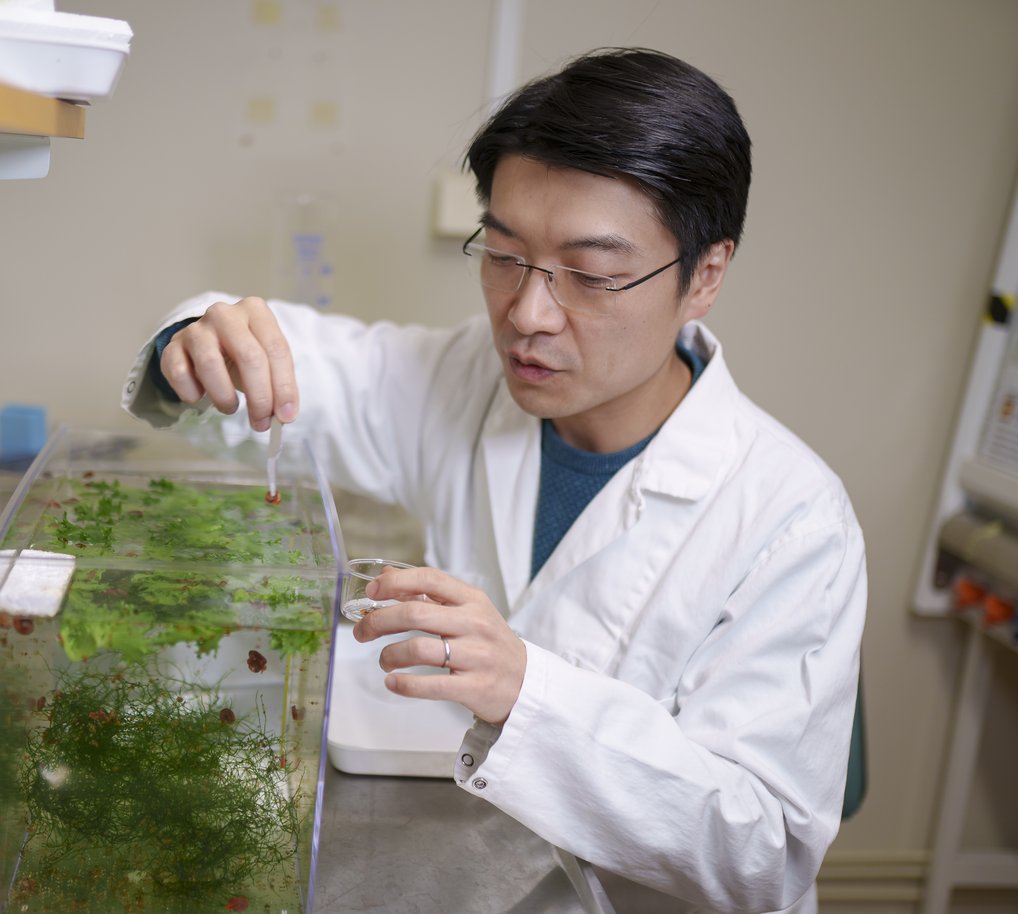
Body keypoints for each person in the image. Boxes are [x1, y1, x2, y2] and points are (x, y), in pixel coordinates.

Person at [121, 47, 866, 914]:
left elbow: (765, 854)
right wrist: (199, 338)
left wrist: (528, 692)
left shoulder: (791, 517)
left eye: (590, 274)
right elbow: (281, 364)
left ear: (704, 275)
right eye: (505, 254)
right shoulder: (468, 377)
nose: (527, 315)